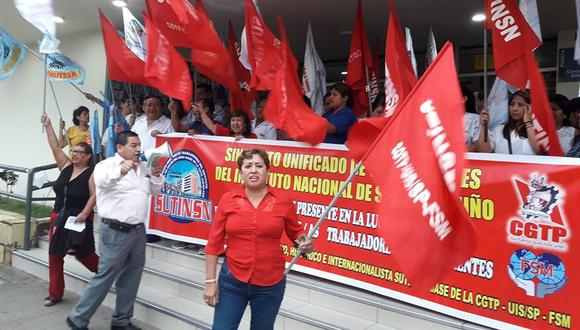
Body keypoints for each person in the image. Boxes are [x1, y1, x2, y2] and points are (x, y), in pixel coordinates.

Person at [203, 149, 313, 329]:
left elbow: (297, 233)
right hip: (232, 280)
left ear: (267, 171)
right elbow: (214, 244)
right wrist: (210, 282)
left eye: (259, 166)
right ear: (241, 173)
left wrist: (305, 243)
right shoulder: (228, 199)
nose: (253, 170)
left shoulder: (283, 201)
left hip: (270, 283)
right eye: (248, 166)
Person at [66, 131, 164, 330]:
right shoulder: (106, 165)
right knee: (106, 275)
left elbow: (156, 191)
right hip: (115, 231)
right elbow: (102, 182)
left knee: (132, 276)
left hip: (137, 231)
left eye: (139, 145)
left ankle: (121, 320)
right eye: (133, 145)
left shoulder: (143, 166)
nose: (138, 149)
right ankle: (78, 318)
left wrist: (156, 175)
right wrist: (122, 171)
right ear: (120, 148)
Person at [40, 113, 99, 307]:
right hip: (58, 217)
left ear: (88, 157)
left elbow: (94, 195)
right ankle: (55, 294)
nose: (74, 154)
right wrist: (48, 126)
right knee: (55, 255)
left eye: (79, 152)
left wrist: (84, 214)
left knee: (84, 254)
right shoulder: (65, 165)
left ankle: (106, 272)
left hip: (78, 219)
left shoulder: (91, 173)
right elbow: (55, 146)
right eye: (73, 150)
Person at [474, 90, 542, 155]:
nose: (514, 109)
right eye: (512, 104)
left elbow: (539, 149)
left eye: (520, 105)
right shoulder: (499, 129)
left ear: (530, 108)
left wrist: (528, 122)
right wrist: (484, 127)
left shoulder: (538, 130)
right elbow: (484, 151)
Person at [461, 84, 481, 151]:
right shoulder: (440, 118)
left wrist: (458, 154)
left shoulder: (475, 119)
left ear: (464, 99)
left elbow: (477, 145)